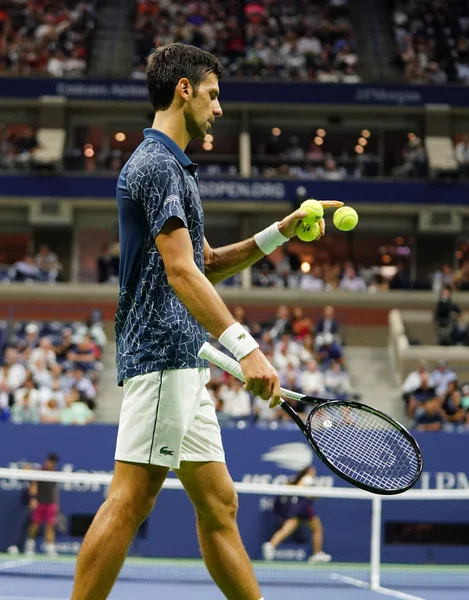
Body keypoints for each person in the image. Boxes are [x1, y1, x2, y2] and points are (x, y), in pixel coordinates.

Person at [70, 43, 342, 600]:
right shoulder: (157, 164)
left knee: (219, 503)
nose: (219, 108)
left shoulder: (174, 169)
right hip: (164, 355)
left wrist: (282, 232)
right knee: (130, 498)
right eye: (213, 95)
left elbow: (206, 263)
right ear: (184, 89)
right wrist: (246, 347)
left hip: (185, 359)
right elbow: (180, 273)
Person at [262, 466, 331, 563]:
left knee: (287, 529)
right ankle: (317, 554)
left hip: (295, 508)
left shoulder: (300, 480)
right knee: (317, 528)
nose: (314, 472)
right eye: (313, 470)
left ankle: (271, 545)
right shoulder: (308, 478)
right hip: (304, 508)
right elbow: (300, 488)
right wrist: (311, 493)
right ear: (308, 471)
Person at [25, 453, 60, 556]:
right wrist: (33, 499)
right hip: (39, 503)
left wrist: (56, 503)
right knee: (35, 526)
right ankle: (30, 546)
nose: (51, 464)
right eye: (50, 461)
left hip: (50, 504)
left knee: (50, 526)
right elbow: (33, 487)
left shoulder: (55, 473)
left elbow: (55, 490)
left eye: (53, 462)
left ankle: (50, 548)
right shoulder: (39, 472)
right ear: (46, 461)